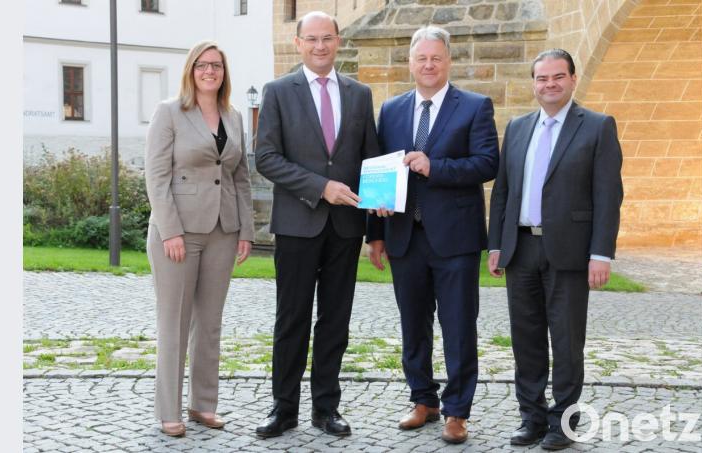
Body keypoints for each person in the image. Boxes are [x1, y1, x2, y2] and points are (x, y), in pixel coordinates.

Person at [366, 25, 499, 445]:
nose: (428, 65)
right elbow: (378, 170)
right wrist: (376, 233)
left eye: (435, 58)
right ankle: (423, 400)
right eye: (421, 58)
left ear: (448, 62)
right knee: (413, 325)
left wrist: (435, 166)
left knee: (459, 326)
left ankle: (458, 411)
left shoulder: (475, 107)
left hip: (455, 240)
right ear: (410, 62)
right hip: (405, 236)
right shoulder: (391, 109)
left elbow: (487, 164)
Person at [486, 48, 623, 450]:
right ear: (534, 83)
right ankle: (530, 417)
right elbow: (503, 192)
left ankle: (563, 421)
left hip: (571, 251)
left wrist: (601, 253)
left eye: (557, 77)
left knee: (565, 341)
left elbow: (608, 194)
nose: (549, 84)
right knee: (525, 338)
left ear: (572, 79)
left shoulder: (597, 126)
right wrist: (496, 244)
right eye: (542, 78)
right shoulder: (517, 127)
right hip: (521, 248)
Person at [253, 11, 380, 438]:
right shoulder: (277, 92)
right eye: (312, 39)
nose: (320, 46)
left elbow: (371, 159)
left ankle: (326, 409)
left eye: (327, 38)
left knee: (335, 321)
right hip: (296, 223)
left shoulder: (360, 94)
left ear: (338, 41)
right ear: (298, 42)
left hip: (346, 227)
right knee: (292, 318)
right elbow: (266, 157)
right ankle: (283, 408)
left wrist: (380, 206)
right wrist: (320, 186)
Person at [144, 40, 254, 437]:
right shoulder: (169, 112)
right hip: (178, 233)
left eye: (217, 66)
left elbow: (240, 176)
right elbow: (155, 177)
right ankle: (168, 410)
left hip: (223, 230)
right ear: (191, 70)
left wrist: (245, 230)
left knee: (209, 323)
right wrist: (169, 229)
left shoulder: (235, 115)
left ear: (224, 73)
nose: (210, 72)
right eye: (203, 66)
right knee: (174, 322)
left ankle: (203, 405)